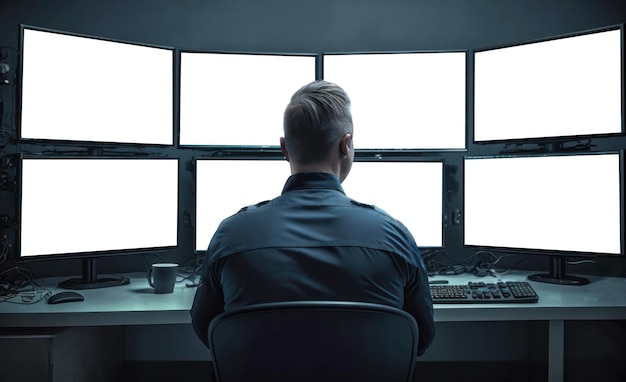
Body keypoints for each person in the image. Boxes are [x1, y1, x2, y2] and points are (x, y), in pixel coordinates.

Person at [190, 80, 435, 356]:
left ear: (284, 148)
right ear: (346, 144)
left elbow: (207, 329)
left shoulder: (230, 235)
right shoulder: (394, 237)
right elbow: (421, 336)